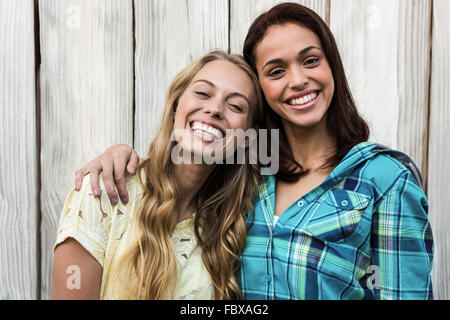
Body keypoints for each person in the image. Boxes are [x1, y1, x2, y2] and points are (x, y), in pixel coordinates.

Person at [74, 3, 434, 299]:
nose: (297, 80)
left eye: (310, 60)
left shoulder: (384, 180)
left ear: (331, 67)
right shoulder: (244, 175)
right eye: (276, 71)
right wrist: (119, 154)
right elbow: (181, 168)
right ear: (261, 90)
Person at [51, 50, 264, 299]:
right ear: (176, 106)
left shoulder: (234, 223)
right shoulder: (104, 191)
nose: (215, 109)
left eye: (236, 106)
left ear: (249, 138)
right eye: (203, 93)